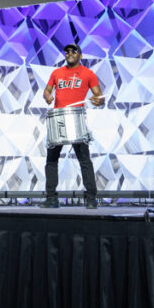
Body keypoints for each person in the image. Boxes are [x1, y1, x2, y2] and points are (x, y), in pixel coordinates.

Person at [40, 43, 104, 209]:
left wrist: (98, 100)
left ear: (80, 55)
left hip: (76, 119)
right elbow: (46, 91)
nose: (69, 53)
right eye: (67, 51)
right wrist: (47, 96)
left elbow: (99, 96)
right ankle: (51, 198)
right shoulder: (57, 73)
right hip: (59, 118)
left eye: (73, 51)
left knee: (84, 159)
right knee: (51, 160)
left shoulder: (88, 74)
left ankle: (91, 198)